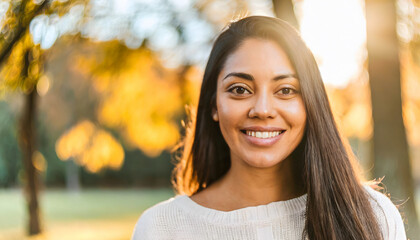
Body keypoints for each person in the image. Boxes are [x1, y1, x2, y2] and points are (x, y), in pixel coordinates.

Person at [132, 16, 406, 240]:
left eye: (286, 90)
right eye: (240, 89)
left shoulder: (372, 216)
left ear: (311, 104)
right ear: (214, 105)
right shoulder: (160, 229)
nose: (262, 109)